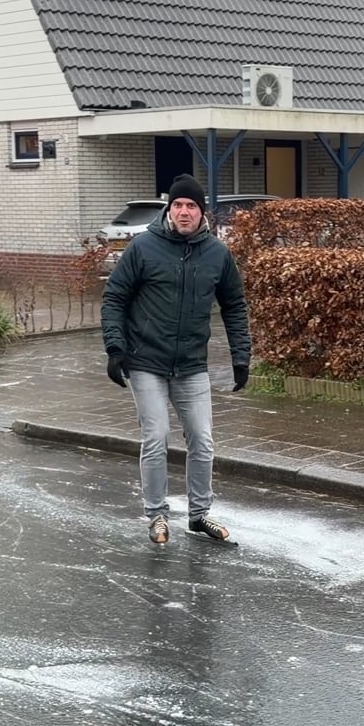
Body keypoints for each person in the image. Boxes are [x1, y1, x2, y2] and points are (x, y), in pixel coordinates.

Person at [100, 173, 251, 546]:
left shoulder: (217, 254)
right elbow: (114, 297)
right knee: (156, 437)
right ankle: (156, 515)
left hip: (190, 364)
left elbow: (234, 306)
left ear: (203, 213)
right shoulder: (144, 247)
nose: (184, 212)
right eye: (178, 205)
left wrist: (241, 357)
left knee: (202, 438)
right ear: (170, 209)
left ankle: (199, 516)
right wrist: (115, 349)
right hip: (146, 360)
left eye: (192, 206)